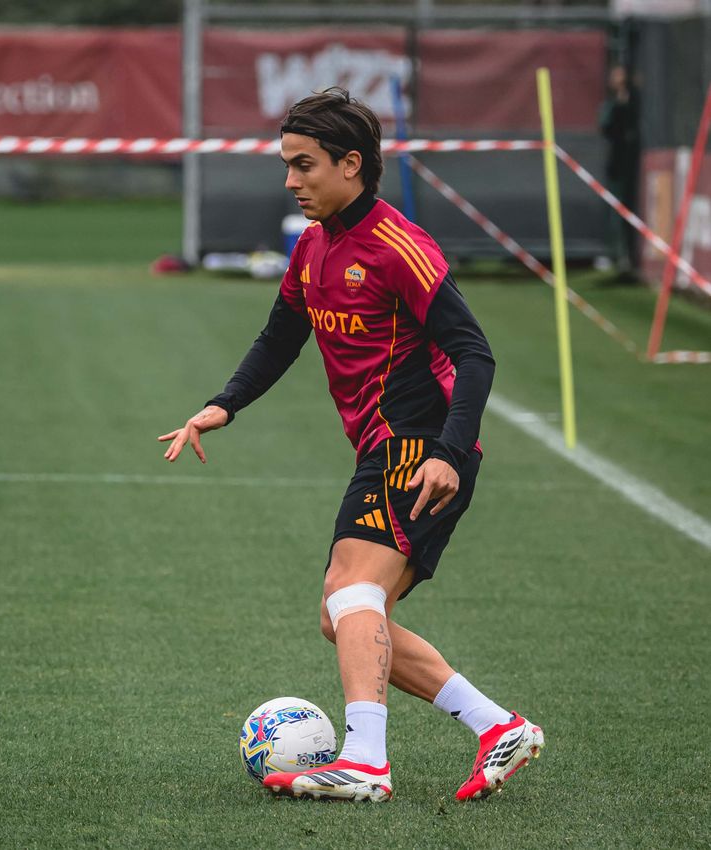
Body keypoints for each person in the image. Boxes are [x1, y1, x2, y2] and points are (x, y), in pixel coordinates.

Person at [159, 88, 542, 803]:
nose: (290, 180)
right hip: (382, 448)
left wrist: (448, 453)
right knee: (344, 615)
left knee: (351, 593)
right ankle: (499, 728)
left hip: (415, 446)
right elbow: (279, 337)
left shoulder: (398, 245)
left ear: (350, 164)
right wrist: (221, 406)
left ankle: (366, 759)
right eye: (285, 165)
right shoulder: (311, 246)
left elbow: (473, 352)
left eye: (303, 165)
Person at [599, 63, 641, 278]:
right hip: (616, 165)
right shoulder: (610, 103)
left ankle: (629, 257)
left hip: (634, 165)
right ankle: (616, 254)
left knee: (631, 212)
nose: (616, 79)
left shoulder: (636, 99)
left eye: (619, 75)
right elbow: (605, 127)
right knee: (614, 211)